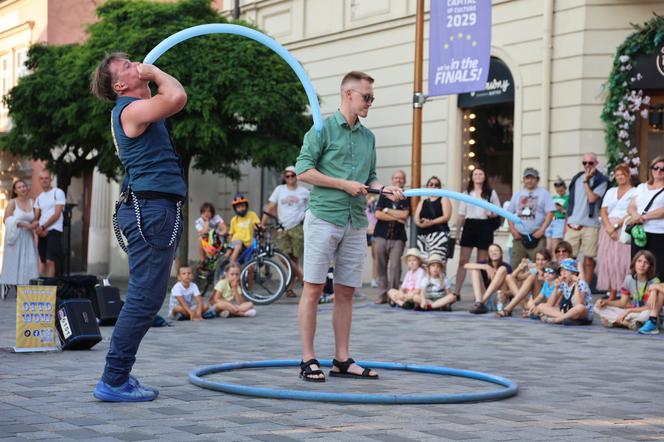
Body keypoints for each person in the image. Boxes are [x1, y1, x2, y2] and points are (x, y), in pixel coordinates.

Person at [294, 70, 404, 382]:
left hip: (356, 222)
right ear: (348, 95)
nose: (371, 102)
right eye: (366, 97)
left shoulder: (368, 137)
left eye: (372, 97)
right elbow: (303, 170)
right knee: (314, 288)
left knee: (346, 291)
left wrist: (383, 189)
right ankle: (308, 358)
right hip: (324, 217)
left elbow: (369, 177)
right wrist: (343, 184)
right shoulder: (322, 129)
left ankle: (341, 359)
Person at [91, 53, 187, 402]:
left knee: (147, 298)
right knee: (145, 299)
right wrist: (157, 71)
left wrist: (149, 76)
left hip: (153, 208)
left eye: (134, 61)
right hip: (150, 209)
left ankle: (117, 376)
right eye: (128, 66)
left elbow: (167, 100)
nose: (137, 65)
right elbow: (176, 97)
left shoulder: (139, 109)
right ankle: (114, 379)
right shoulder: (129, 110)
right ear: (119, 85)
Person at [261, 166, 309, 297]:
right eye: (287, 176)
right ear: (284, 177)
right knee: (283, 256)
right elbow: (270, 207)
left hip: (297, 227)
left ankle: (290, 288)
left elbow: (311, 208)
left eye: (293, 175)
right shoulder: (279, 189)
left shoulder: (304, 191)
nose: (290, 178)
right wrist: (262, 223)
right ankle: (303, 278)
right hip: (282, 227)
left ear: (296, 176)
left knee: (294, 259)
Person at [563, 153, 609, 285]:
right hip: (573, 223)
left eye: (591, 163)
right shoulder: (577, 177)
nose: (587, 165)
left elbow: (592, 198)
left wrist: (586, 181)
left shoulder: (601, 180)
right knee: (568, 258)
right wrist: (566, 223)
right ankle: (568, 286)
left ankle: (586, 289)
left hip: (591, 224)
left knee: (589, 259)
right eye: (585, 163)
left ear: (596, 164)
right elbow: (571, 202)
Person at [454, 169, 500, 297]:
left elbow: (498, 211)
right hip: (469, 226)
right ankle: (456, 292)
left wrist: (491, 213)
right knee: (463, 260)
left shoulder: (491, 193)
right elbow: (461, 214)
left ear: (484, 177)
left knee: (482, 262)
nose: (478, 176)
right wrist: (457, 232)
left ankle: (481, 293)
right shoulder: (466, 193)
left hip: (485, 226)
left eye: (481, 174)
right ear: (472, 177)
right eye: (476, 174)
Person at [597, 164, 636, 300]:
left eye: (622, 174)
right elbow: (603, 210)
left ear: (628, 175)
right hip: (607, 228)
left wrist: (616, 225)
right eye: (617, 174)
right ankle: (612, 293)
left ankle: (626, 294)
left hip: (624, 227)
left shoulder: (635, 191)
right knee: (609, 261)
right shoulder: (611, 191)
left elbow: (633, 210)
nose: (620, 177)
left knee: (623, 261)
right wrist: (608, 227)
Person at [594, 251, 659, 329]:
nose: (642, 265)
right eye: (639, 261)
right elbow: (623, 302)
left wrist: (628, 311)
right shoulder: (629, 279)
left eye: (646, 263)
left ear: (650, 266)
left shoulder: (654, 282)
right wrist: (605, 302)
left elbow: (650, 307)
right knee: (597, 307)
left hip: (642, 313)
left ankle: (617, 321)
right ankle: (627, 323)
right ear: (634, 263)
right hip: (631, 313)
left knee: (646, 315)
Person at [506, 167, 556, 268]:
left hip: (537, 237)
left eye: (532, 178)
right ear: (523, 180)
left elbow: (550, 213)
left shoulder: (544, 194)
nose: (529, 180)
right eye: (527, 178)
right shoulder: (517, 195)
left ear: (537, 179)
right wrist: (513, 230)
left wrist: (542, 230)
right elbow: (509, 213)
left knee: (540, 268)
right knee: (515, 267)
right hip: (519, 237)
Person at [374, 169, 410, 304]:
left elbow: (405, 215)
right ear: (392, 180)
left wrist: (387, 211)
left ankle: (393, 295)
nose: (398, 180)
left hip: (398, 237)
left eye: (401, 178)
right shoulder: (384, 195)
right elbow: (377, 214)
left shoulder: (407, 196)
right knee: (381, 266)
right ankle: (382, 294)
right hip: (381, 235)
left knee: (395, 266)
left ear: (404, 181)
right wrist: (397, 215)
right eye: (396, 178)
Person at [626, 155, 664, 279]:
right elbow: (631, 206)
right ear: (651, 169)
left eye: (662, 169)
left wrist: (643, 217)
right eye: (655, 167)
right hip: (639, 233)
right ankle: (638, 296)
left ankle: (656, 296)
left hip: (659, 233)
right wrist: (635, 215)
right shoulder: (641, 187)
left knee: (658, 268)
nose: (658, 171)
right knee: (637, 267)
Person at [0, 180, 39, 295]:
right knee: (16, 262)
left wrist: (35, 224)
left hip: (28, 237)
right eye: (19, 187)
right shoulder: (12, 202)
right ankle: (16, 289)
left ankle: (26, 289)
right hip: (16, 236)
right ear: (15, 191)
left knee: (29, 262)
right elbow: (6, 219)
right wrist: (23, 224)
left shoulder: (33, 202)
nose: (22, 188)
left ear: (27, 188)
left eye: (24, 186)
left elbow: (35, 219)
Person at [535, 258, 593, 325]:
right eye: (562, 271)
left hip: (581, 315)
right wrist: (556, 288)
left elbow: (578, 304)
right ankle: (565, 318)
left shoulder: (581, 283)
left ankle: (558, 319)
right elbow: (550, 304)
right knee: (541, 306)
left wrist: (576, 284)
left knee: (580, 307)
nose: (563, 273)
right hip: (568, 311)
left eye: (566, 270)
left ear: (574, 273)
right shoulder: (563, 283)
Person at [498, 249, 552, 317]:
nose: (540, 262)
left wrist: (537, 269)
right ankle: (525, 307)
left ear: (548, 261)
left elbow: (548, 287)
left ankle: (508, 309)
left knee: (532, 277)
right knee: (508, 277)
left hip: (543, 302)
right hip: (532, 302)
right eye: (538, 259)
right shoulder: (534, 270)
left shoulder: (551, 271)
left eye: (543, 260)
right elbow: (513, 277)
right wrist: (520, 268)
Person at [34, 170, 66, 277]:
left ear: (51, 179)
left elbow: (57, 214)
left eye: (46, 178)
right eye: (42, 178)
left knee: (50, 260)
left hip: (54, 230)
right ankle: (44, 287)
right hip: (42, 232)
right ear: (39, 180)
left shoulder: (58, 192)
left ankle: (50, 287)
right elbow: (36, 217)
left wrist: (43, 227)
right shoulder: (39, 197)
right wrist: (38, 230)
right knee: (43, 261)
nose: (44, 181)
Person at [466, 244, 512, 314]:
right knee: (475, 270)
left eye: (496, 250)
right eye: (491, 251)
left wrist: (504, 293)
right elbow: (466, 265)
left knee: (502, 269)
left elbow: (512, 290)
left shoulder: (507, 266)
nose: (494, 253)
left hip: (498, 300)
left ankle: (481, 303)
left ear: (501, 253)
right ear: (488, 254)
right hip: (485, 299)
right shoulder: (485, 263)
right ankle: (478, 302)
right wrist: (485, 266)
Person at [415, 175, 453, 261]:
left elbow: (446, 216)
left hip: (438, 235)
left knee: (437, 263)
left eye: (436, 185)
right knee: (424, 264)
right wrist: (420, 224)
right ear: (427, 186)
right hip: (422, 236)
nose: (433, 186)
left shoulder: (443, 199)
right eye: (431, 184)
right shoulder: (423, 201)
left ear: (439, 187)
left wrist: (431, 222)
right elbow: (416, 218)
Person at [227, 193, 260, 264]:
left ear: (246, 206)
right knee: (238, 245)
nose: (241, 208)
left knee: (250, 266)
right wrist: (230, 245)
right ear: (235, 209)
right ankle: (231, 265)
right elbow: (230, 234)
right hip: (237, 242)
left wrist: (261, 227)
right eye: (238, 207)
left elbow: (257, 225)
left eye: (242, 206)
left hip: (248, 244)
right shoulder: (234, 220)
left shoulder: (252, 215)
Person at [546, 177, 568, 256]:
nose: (559, 192)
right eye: (557, 190)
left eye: (561, 190)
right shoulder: (554, 198)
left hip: (560, 221)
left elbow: (569, 213)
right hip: (551, 221)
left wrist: (561, 209)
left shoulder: (568, 198)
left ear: (565, 188)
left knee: (555, 245)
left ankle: (555, 264)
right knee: (548, 247)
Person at [365, 193, 379, 288]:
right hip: (362, 231)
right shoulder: (362, 200)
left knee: (376, 257)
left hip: (374, 231)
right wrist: (367, 202)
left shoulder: (377, 201)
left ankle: (374, 279)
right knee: (357, 256)